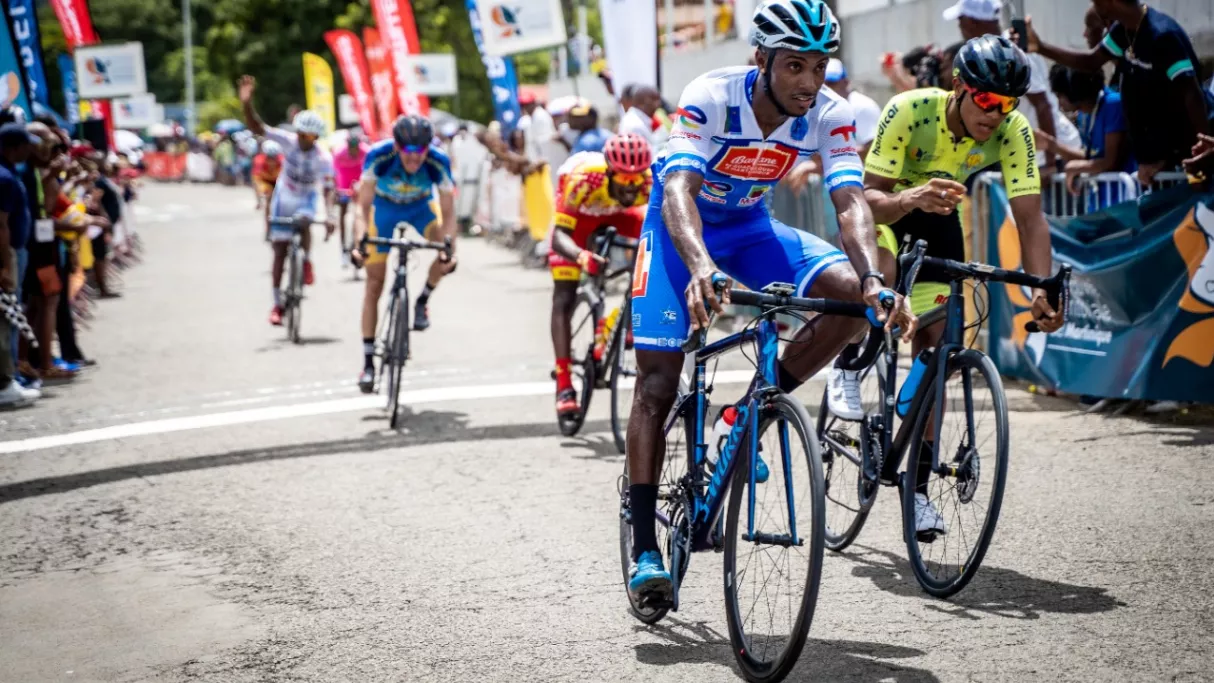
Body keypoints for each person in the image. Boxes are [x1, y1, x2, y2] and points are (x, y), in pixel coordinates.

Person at [622, 0, 915, 602]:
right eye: (794, 67)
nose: (809, 82)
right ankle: (646, 543)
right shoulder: (712, 93)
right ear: (761, 60)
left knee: (853, 307)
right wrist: (701, 265)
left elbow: (850, 202)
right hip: (679, 230)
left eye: (819, 66)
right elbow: (678, 186)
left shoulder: (827, 113)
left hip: (754, 230)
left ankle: (752, 409)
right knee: (655, 385)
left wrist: (872, 281)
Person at [847, 36, 1066, 534]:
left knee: (941, 347)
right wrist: (912, 197)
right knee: (879, 286)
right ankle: (849, 360)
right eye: (987, 99)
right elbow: (865, 199)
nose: (996, 113)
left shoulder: (1012, 130)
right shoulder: (909, 110)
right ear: (959, 87)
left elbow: (1030, 220)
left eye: (1008, 102)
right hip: (890, 211)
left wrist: (1039, 287)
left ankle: (916, 490)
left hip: (939, 220)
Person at [1013, 0, 1212, 187]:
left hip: (1189, 156)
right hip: (1157, 166)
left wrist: (1201, 152)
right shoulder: (1123, 32)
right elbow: (1091, 62)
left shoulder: (1163, 36)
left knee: (1196, 212)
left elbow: (1191, 95)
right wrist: (1039, 47)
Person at [349, 116, 457, 392]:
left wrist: (449, 247)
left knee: (443, 250)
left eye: (421, 150)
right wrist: (359, 242)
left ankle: (422, 300)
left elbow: (448, 211)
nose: (416, 158)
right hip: (384, 210)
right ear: (397, 147)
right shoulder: (378, 155)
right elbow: (362, 207)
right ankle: (369, 362)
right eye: (409, 151)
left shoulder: (437, 160)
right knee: (374, 284)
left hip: (421, 208)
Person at [548, 134, 652, 420]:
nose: (632, 187)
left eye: (637, 179)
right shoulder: (583, 179)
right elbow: (558, 237)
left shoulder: (649, 182)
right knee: (564, 296)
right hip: (580, 218)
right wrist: (581, 256)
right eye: (624, 179)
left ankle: (626, 318)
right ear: (608, 172)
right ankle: (564, 382)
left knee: (652, 249)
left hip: (621, 215)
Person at [237, 75, 336, 327]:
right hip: (286, 193)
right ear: (298, 133)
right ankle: (276, 304)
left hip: (306, 196)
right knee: (279, 251)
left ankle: (307, 260)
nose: (306, 140)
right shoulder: (288, 141)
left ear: (317, 137)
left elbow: (328, 189)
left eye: (312, 137)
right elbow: (259, 128)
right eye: (303, 135)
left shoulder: (323, 157)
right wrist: (247, 104)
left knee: (304, 223)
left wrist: (331, 215)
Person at [943, 0, 1080, 171]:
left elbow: (1042, 104)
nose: (960, 28)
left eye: (960, 21)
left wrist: (1050, 163)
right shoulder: (992, 51)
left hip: (1056, 155)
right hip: (1034, 156)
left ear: (971, 21)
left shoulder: (1011, 51)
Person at [1042, 65, 1134, 195]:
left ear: (1073, 91)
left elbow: (1110, 162)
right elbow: (1090, 156)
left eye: (1060, 96)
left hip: (1122, 196)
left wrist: (1076, 167)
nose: (1059, 103)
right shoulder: (1084, 115)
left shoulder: (1113, 104)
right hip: (1099, 198)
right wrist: (1050, 144)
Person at [0, 123, 41, 408]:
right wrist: (5, 265)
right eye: (26, 144)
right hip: (8, 254)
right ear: (13, 147)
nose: (31, 149)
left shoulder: (9, 172)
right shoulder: (3, 177)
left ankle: (10, 375)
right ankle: (5, 381)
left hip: (13, 251)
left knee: (10, 317)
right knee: (7, 318)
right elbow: (0, 225)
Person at [332, 129, 369, 260]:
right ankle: (343, 247)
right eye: (351, 147)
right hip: (344, 183)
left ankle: (359, 243)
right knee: (343, 212)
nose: (353, 150)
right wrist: (336, 189)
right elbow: (333, 174)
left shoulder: (366, 151)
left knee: (362, 210)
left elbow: (370, 171)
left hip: (359, 182)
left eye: (355, 147)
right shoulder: (339, 153)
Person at [252, 140, 284, 239]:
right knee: (268, 200)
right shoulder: (259, 161)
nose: (272, 161)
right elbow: (256, 182)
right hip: (266, 181)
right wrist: (259, 200)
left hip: (278, 180)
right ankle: (268, 228)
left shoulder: (282, 160)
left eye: (274, 158)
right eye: (269, 158)